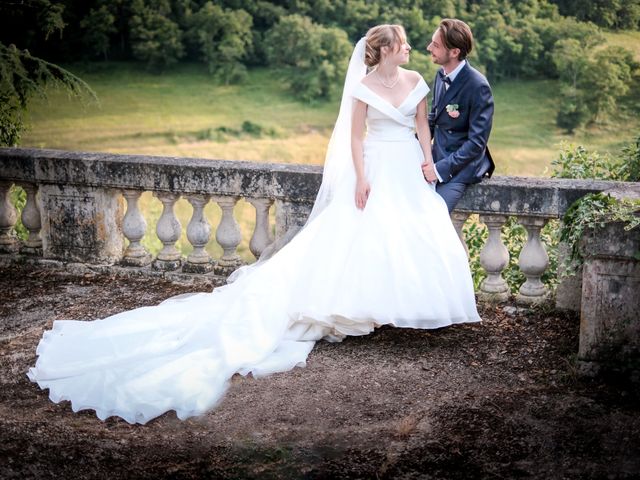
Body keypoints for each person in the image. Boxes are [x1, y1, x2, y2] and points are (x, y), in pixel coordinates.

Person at [27, 25, 480, 425]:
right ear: (384, 50)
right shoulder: (362, 87)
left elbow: (423, 126)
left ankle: (402, 308)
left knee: (408, 236)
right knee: (357, 238)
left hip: (408, 168)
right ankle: (362, 309)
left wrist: (427, 164)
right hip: (376, 168)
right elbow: (355, 138)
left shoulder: (418, 81)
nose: (411, 49)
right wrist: (362, 179)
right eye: (402, 44)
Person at [422, 18, 495, 213]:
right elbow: (434, 119)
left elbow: (477, 143)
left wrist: (439, 170)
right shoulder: (440, 74)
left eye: (436, 45)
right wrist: (410, 145)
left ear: (454, 52)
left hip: (460, 168)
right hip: (436, 158)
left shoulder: (478, 86)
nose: (429, 48)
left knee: (432, 218)